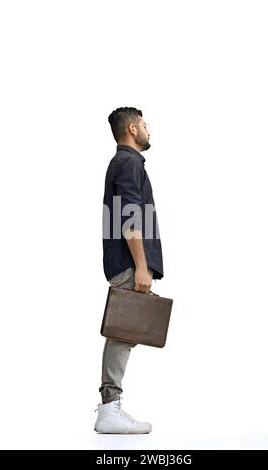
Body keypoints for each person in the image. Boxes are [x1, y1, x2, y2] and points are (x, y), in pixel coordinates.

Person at [94, 107, 164, 434]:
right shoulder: (129, 162)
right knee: (122, 333)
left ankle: (111, 405)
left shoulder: (124, 163)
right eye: (146, 125)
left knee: (124, 333)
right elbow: (130, 217)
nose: (149, 130)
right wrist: (140, 266)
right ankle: (110, 407)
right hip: (127, 262)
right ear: (133, 128)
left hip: (123, 260)